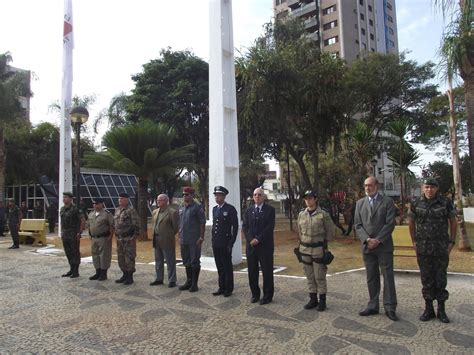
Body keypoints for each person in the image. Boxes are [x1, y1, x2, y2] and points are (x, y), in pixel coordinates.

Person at [407, 178, 457, 323]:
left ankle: (441, 310)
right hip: (423, 248)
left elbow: (453, 221)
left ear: (437, 188)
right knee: (426, 279)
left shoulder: (445, 202)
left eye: (432, 187)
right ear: (423, 188)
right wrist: (414, 241)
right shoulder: (416, 203)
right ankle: (428, 309)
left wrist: (452, 242)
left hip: (441, 248)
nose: (429, 190)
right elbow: (411, 222)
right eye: (427, 187)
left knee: (441, 279)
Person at [354, 176, 398, 321]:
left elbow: (390, 223)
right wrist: (367, 240)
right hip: (368, 247)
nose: (367, 188)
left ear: (377, 186)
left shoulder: (388, 202)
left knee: (388, 277)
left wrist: (377, 240)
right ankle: (373, 305)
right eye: (365, 185)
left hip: (383, 246)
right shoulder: (360, 203)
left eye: (370, 185)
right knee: (371, 277)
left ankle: (390, 307)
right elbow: (358, 225)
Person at [297, 190, 335, 311]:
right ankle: (313, 299)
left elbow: (330, 231)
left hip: (318, 249)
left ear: (315, 199)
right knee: (309, 275)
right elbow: (299, 231)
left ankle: (322, 300)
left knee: (320, 275)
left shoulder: (323, 214)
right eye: (306, 198)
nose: (308, 200)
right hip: (305, 249)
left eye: (310, 198)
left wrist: (324, 245)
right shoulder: (301, 214)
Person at [242, 187, 276, 305]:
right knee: (252, 271)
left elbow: (269, 227)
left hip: (265, 246)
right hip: (251, 246)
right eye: (255, 194)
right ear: (253, 197)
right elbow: (245, 227)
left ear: (264, 197)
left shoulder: (270, 210)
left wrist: (258, 239)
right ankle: (255, 294)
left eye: (259, 194)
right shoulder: (248, 210)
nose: (257, 196)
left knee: (267, 271)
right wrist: (251, 239)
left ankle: (267, 295)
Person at [211, 186, 239, 297]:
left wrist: (231, 242)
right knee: (219, 266)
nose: (217, 197)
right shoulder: (215, 209)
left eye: (219, 195)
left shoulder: (230, 209)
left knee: (227, 266)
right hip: (216, 242)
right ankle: (221, 287)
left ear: (224, 196)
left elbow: (235, 227)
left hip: (225, 242)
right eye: (215, 195)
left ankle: (228, 288)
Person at [178, 187, 206, 292]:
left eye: (187, 194)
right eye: (183, 195)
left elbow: (202, 223)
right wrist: (179, 233)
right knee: (186, 261)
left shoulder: (197, 207)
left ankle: (194, 284)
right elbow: (180, 222)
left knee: (194, 261)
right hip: (184, 239)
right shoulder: (181, 207)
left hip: (194, 239)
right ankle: (188, 281)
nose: (184, 196)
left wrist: (201, 237)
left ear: (192, 195)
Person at [150, 194, 179, 288]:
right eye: (157, 200)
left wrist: (168, 235)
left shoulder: (172, 212)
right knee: (158, 260)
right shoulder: (155, 212)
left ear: (166, 201)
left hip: (167, 239)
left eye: (161, 200)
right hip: (156, 238)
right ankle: (159, 278)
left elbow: (175, 227)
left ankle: (172, 280)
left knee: (170, 261)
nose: (158, 202)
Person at [114, 192, 140, 285]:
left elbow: (136, 224)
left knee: (129, 258)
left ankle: (130, 277)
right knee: (121, 258)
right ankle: (124, 274)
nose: (120, 200)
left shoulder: (131, 210)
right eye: (119, 198)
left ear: (126, 200)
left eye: (122, 198)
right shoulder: (117, 210)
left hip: (128, 238)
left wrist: (134, 237)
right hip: (119, 239)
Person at [87, 198, 114, 281]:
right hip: (94, 238)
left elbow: (112, 226)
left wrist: (110, 236)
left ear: (101, 204)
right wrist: (90, 235)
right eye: (94, 204)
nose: (95, 205)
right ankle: (97, 272)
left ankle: (103, 273)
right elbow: (89, 225)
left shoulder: (106, 214)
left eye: (97, 204)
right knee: (95, 255)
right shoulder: (91, 214)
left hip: (103, 238)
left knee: (104, 256)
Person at [60, 192, 85, 278]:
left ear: (71, 199)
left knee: (75, 252)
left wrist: (79, 232)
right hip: (65, 234)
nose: (64, 199)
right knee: (68, 252)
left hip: (73, 234)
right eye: (63, 197)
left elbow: (82, 220)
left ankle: (76, 271)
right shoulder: (62, 209)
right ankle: (71, 269)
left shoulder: (75, 208)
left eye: (66, 197)